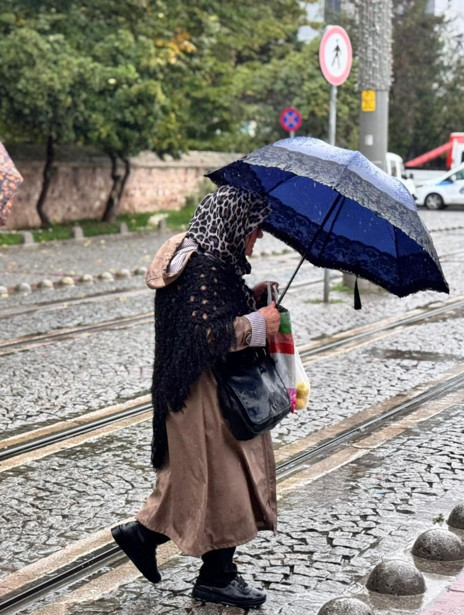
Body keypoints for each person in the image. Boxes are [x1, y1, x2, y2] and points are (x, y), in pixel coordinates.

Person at [111, 185, 281, 609]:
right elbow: (206, 335)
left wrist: (251, 298)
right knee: (225, 485)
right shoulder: (202, 267)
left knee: (206, 482)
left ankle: (144, 537)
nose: (257, 236)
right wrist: (257, 324)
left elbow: (211, 314)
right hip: (203, 395)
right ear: (233, 222)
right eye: (254, 227)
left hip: (202, 392)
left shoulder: (206, 261)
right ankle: (217, 577)